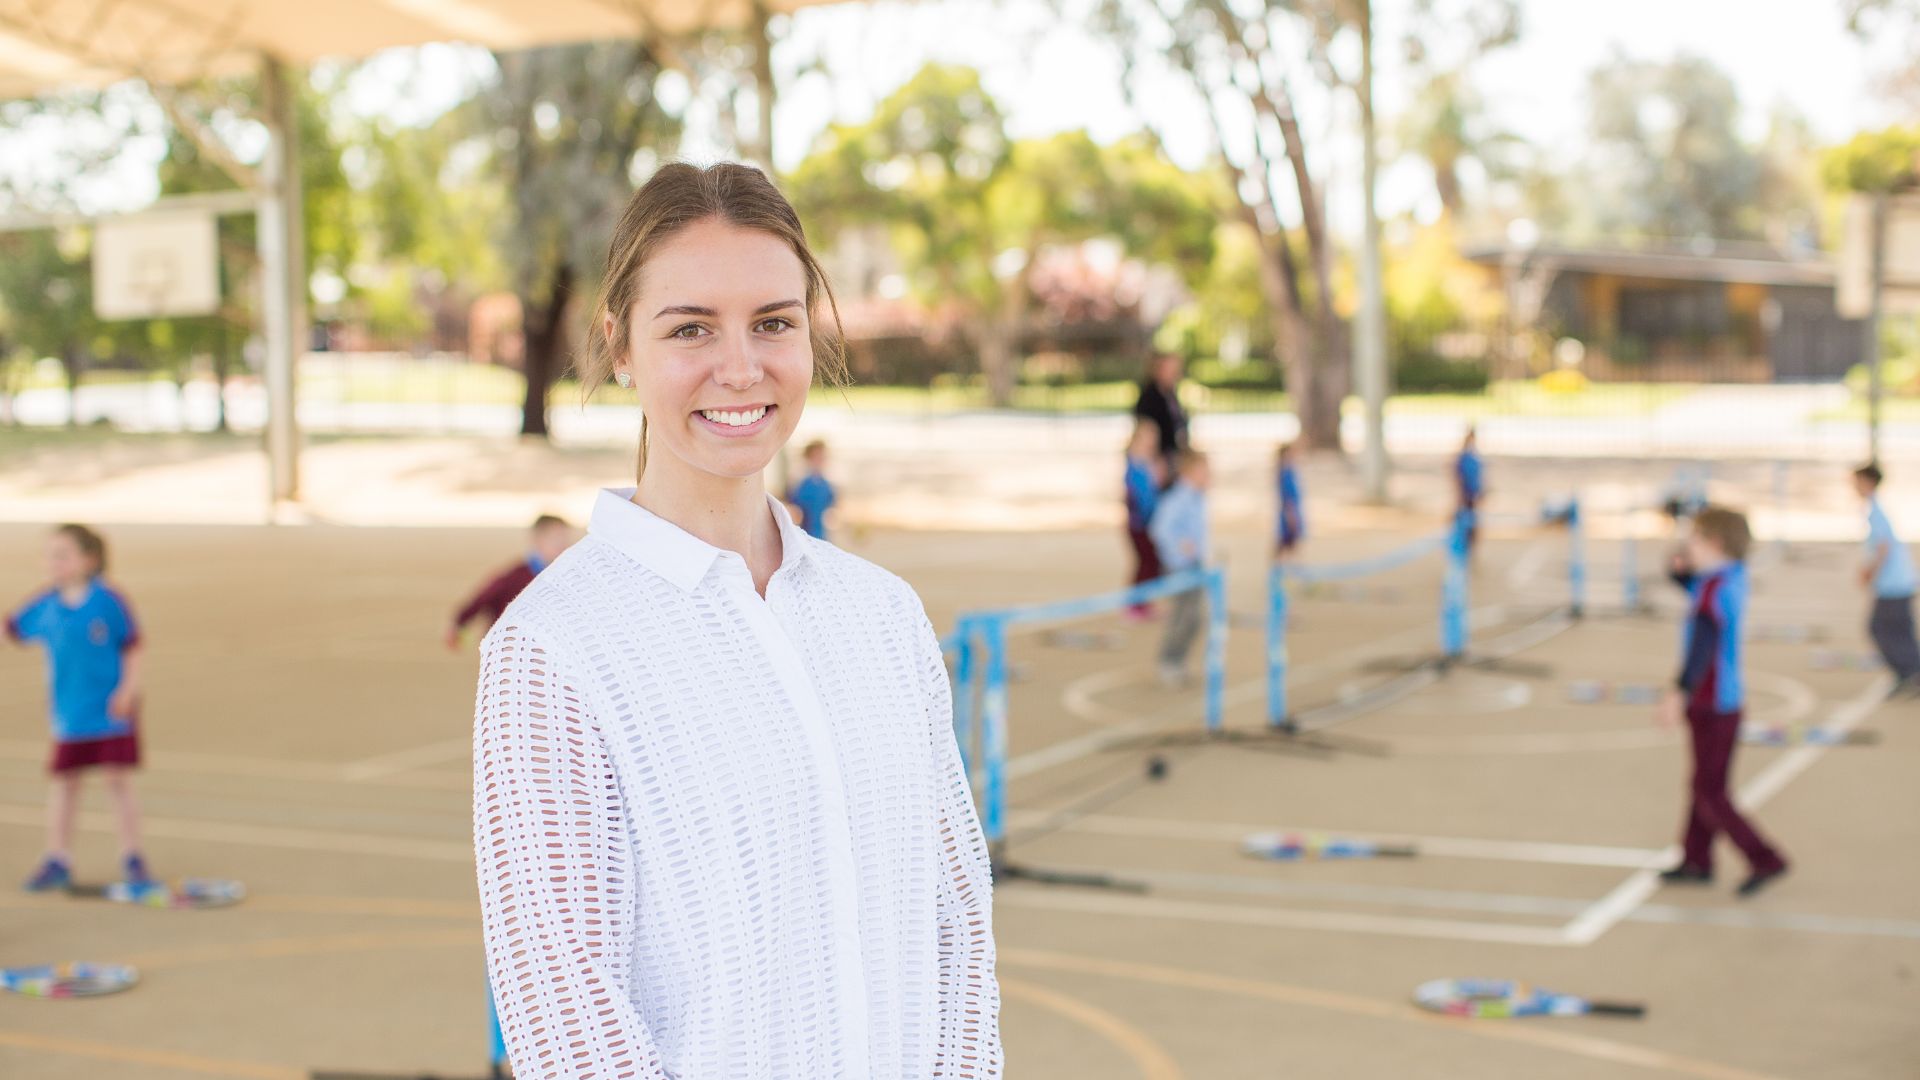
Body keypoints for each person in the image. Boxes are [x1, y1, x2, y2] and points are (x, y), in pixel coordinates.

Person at [472, 162, 999, 1080]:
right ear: (620, 345)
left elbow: (953, 925)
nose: (741, 367)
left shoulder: (883, 615)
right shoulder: (551, 648)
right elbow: (568, 1012)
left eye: (773, 323)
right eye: (690, 329)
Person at [7, 524, 150, 892]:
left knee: (117, 781)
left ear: (90, 560)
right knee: (65, 784)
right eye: (49, 555)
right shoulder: (45, 605)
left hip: (112, 712)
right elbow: (13, 628)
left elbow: (134, 646)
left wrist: (129, 690)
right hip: (70, 715)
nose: (52, 562)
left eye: (62, 555)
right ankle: (58, 858)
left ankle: (133, 856)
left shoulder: (108, 601)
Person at [1656, 506, 1789, 898]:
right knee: (1702, 784)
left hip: (1713, 703)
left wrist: (1677, 693)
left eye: (1694, 540)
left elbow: (1702, 645)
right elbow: (1687, 581)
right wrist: (1680, 567)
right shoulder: (1727, 577)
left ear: (1714, 544)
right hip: (1720, 702)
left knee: (1711, 791)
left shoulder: (1713, 588)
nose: (1687, 547)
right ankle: (1696, 859)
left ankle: (1765, 858)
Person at [445, 515, 576, 650]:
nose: (563, 545)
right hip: (508, 650)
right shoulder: (515, 576)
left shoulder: (565, 577)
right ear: (537, 540)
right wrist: (458, 623)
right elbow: (482, 598)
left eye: (565, 539)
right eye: (556, 539)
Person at [1851, 463, 1920, 695]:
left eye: (1857, 481)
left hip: (1895, 584)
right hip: (1900, 581)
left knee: (1879, 628)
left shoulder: (1875, 511)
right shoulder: (1874, 509)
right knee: (1900, 629)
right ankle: (1909, 673)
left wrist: (1869, 572)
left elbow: (1883, 547)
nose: (1854, 487)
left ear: (1868, 482)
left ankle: (1908, 672)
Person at [1149, 450, 1211, 688]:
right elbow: (1160, 529)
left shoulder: (1198, 497)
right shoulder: (1178, 498)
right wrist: (1178, 547)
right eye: (1203, 470)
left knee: (1195, 618)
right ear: (1190, 471)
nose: (1208, 475)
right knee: (1181, 617)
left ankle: (1179, 659)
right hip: (1180, 567)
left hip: (1195, 565)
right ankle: (1168, 661)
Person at [1123, 421, 1164, 620]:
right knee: (1145, 563)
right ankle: (1135, 603)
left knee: (1151, 563)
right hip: (1140, 523)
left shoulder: (1150, 462)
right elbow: (1138, 497)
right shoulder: (1135, 463)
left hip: (1151, 521)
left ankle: (1143, 601)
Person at [1131, 352, 1189, 474]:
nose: (1175, 375)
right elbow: (1146, 433)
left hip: (1172, 454)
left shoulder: (1170, 394)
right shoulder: (1149, 398)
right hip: (1159, 459)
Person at [786, 438, 838, 541]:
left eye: (822, 457)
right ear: (809, 458)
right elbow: (794, 511)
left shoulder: (826, 485)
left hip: (822, 536)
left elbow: (832, 510)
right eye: (816, 457)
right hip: (805, 536)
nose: (820, 460)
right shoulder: (802, 485)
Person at [1454, 425, 1485, 554]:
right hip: (1466, 496)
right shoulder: (1465, 457)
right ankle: (1463, 550)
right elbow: (1457, 476)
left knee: (1472, 524)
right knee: (1465, 524)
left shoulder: (1473, 456)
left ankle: (1469, 550)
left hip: (1472, 494)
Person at [1276, 442, 1305, 557]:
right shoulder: (1285, 474)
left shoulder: (1290, 472)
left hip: (1292, 511)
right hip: (1289, 512)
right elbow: (1287, 498)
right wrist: (1291, 515)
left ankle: (1281, 570)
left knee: (1287, 545)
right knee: (1287, 543)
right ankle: (1281, 570)